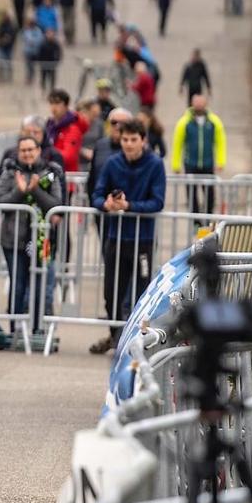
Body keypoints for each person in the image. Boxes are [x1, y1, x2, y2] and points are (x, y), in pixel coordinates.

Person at [91, 118, 165, 350]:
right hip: (116, 236)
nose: (129, 144)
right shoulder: (113, 163)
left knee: (142, 292)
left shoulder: (155, 164)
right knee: (112, 290)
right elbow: (97, 194)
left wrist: (129, 206)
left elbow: (157, 202)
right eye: (125, 139)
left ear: (143, 140)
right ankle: (116, 336)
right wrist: (107, 204)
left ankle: (139, 338)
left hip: (142, 239)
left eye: (134, 140)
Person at [0, 136, 64, 334]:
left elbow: (57, 205)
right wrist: (20, 191)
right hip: (12, 239)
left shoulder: (50, 173)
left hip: (41, 240)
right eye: (23, 150)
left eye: (31, 149)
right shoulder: (9, 172)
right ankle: (14, 329)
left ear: (38, 150)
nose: (27, 154)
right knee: (18, 284)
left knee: (40, 285)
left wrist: (36, 191)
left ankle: (37, 328)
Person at [86, 107, 132, 354]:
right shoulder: (101, 147)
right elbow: (93, 183)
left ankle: (129, 332)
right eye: (113, 122)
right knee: (112, 280)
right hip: (107, 222)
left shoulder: (138, 151)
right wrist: (100, 206)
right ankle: (114, 333)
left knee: (133, 281)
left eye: (123, 123)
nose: (118, 127)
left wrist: (128, 205)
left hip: (134, 225)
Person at [171, 94, 227, 217]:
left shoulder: (214, 121)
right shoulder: (184, 122)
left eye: (201, 102)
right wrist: (176, 164)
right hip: (190, 163)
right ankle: (195, 220)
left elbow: (220, 141)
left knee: (210, 194)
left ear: (206, 103)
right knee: (191, 193)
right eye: (196, 102)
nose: (199, 105)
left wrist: (221, 161)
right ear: (192, 103)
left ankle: (207, 218)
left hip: (207, 163)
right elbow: (177, 143)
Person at [45, 89, 88, 175]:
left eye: (57, 103)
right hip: (51, 175)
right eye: (51, 103)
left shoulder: (73, 129)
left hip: (66, 178)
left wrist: (46, 154)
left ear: (66, 105)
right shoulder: (49, 126)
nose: (53, 107)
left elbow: (68, 157)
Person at [77, 98, 104, 171]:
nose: (96, 114)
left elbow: (102, 140)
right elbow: (73, 143)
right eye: (93, 112)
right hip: (80, 161)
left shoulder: (99, 124)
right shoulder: (77, 124)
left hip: (95, 159)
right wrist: (83, 151)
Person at [36, 29, 62, 94]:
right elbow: (39, 53)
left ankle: (52, 90)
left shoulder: (55, 43)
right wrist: (40, 61)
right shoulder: (43, 43)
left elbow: (59, 53)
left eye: (51, 34)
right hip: (44, 64)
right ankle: (43, 90)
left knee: (52, 78)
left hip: (52, 64)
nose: (50, 36)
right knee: (43, 78)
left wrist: (57, 61)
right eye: (49, 34)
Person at [0, 11, 18, 83]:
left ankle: (10, 77)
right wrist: (2, 40)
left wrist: (9, 39)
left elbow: (14, 36)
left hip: (9, 47)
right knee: (1, 62)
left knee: (9, 63)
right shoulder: (1, 25)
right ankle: (1, 77)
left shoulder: (12, 25)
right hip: (2, 46)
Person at [21, 18, 44, 86]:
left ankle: (32, 78)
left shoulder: (38, 31)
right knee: (28, 66)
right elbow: (24, 38)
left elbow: (39, 40)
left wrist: (32, 41)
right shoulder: (26, 30)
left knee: (33, 66)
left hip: (35, 52)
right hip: (28, 51)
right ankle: (28, 78)